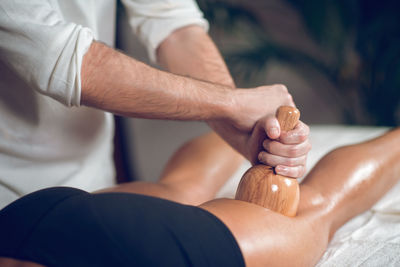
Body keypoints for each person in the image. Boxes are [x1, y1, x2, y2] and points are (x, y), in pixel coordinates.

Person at [0, 0, 310, 209]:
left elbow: (172, 23)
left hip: (93, 188)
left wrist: (239, 129)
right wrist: (232, 104)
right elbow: (58, 58)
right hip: (11, 195)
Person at [0, 127, 399, 266]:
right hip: (29, 218)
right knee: (179, 190)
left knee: (318, 206)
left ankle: (247, 133)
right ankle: (240, 135)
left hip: (137, 257)